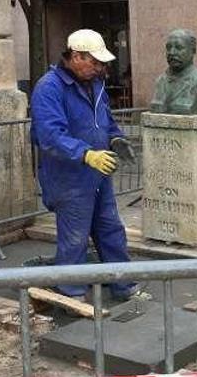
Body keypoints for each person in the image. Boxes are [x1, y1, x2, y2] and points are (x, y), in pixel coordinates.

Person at [30, 29, 139, 301]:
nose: (100, 68)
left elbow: (105, 121)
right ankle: (72, 293)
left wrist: (115, 139)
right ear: (76, 56)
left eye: (102, 63)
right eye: (94, 62)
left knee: (111, 230)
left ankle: (123, 285)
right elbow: (50, 135)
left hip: (97, 176)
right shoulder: (49, 88)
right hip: (69, 178)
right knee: (75, 238)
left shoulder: (95, 84)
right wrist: (87, 154)